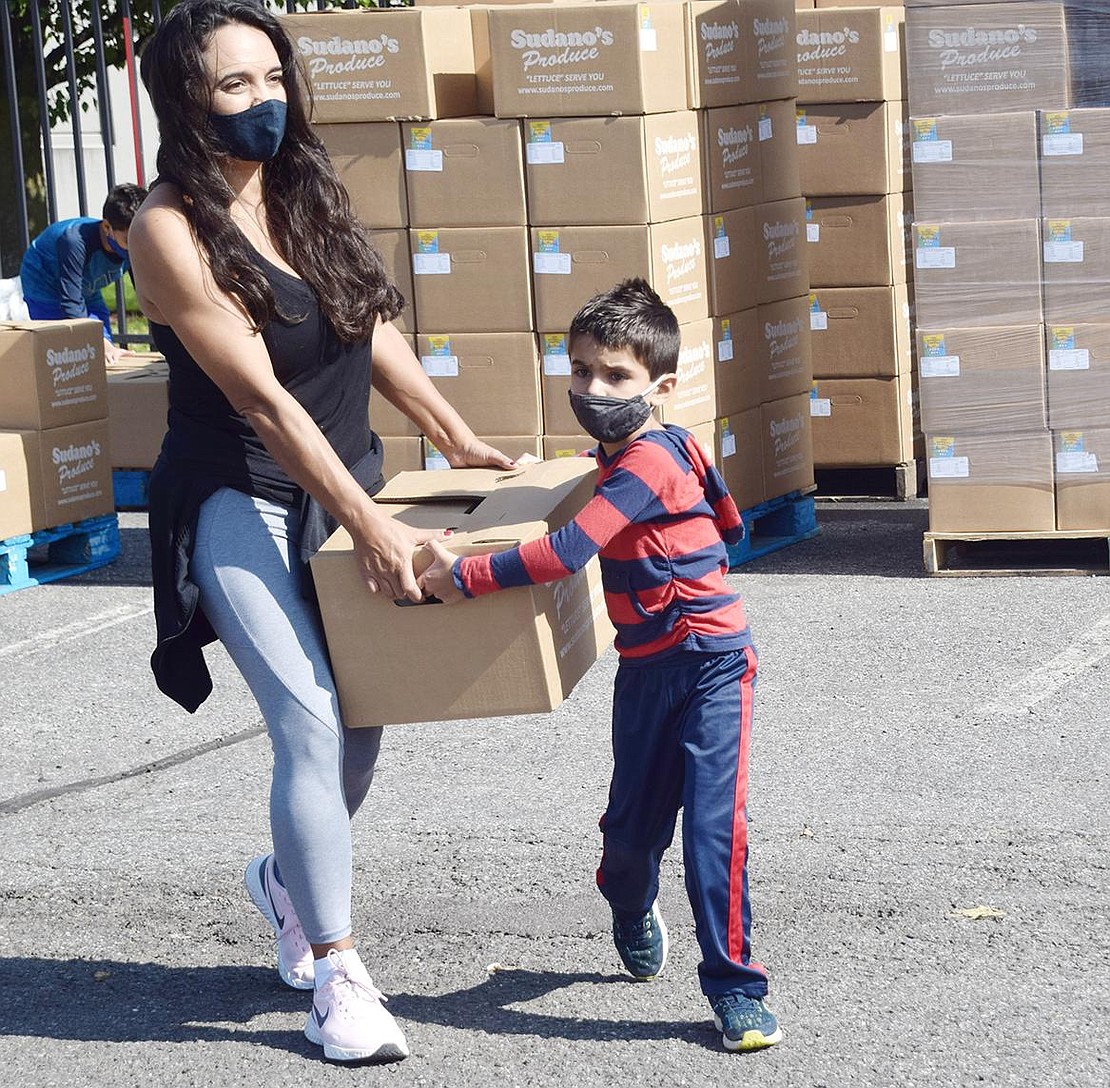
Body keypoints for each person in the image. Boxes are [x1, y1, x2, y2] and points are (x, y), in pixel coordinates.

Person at [127, 0, 514, 1065]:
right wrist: (372, 524)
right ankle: (338, 971)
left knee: (361, 724)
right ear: (186, 102)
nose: (265, 101)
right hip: (240, 493)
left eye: (272, 77)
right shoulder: (168, 229)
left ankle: (284, 879)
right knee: (306, 720)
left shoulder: (301, 188)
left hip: (343, 482)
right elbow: (265, 405)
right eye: (234, 86)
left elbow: (364, 319)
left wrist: (457, 433)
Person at [420, 278, 782, 1053]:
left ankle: (735, 988)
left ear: (661, 386)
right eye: (581, 370)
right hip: (646, 671)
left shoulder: (655, 456)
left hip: (715, 664)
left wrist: (464, 576)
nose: (593, 387)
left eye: (615, 376)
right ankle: (628, 902)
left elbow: (568, 552)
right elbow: (727, 522)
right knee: (627, 841)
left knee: (715, 831)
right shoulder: (618, 459)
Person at [18, 183, 147, 364]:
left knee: (103, 348)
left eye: (138, 236)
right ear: (107, 227)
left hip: (86, 287)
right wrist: (98, 343)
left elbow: (146, 291)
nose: (135, 245)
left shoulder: (133, 243)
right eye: (127, 239)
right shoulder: (75, 242)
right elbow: (71, 302)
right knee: (64, 351)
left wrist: (105, 344)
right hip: (44, 284)